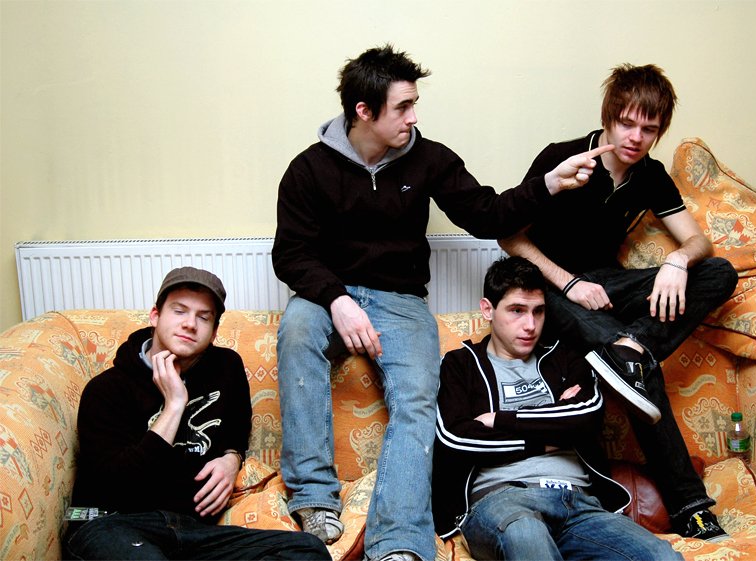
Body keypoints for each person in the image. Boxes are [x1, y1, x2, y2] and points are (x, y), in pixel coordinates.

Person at [272, 44, 614, 561]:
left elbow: (487, 215)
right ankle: (315, 499)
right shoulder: (309, 169)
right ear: (364, 111)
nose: (414, 116)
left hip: (400, 299)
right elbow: (291, 254)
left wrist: (549, 184)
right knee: (297, 331)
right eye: (403, 107)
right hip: (328, 294)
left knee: (418, 397)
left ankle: (398, 542)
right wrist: (337, 300)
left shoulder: (430, 158)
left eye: (414, 104)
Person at [500, 63, 738, 540]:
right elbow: (509, 237)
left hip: (608, 285)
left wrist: (677, 262)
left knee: (719, 272)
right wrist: (568, 283)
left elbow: (699, 242)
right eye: (627, 124)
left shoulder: (649, 175)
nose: (635, 137)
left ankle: (633, 347)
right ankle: (691, 507)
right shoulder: (564, 156)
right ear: (608, 118)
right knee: (641, 373)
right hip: (549, 287)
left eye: (648, 129)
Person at [63, 267, 330, 561]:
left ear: (214, 332)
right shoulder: (105, 389)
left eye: (203, 317)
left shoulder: (226, 368)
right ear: (155, 316)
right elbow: (119, 487)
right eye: (179, 311)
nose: (190, 324)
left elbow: (236, 430)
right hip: (112, 525)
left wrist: (232, 459)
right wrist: (174, 405)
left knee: (306, 550)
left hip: (190, 531)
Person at [432, 256, 682, 560]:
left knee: (661, 556)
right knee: (527, 535)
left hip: (579, 504)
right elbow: (457, 439)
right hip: (503, 501)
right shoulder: (460, 364)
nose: (530, 325)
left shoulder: (565, 357)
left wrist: (498, 419)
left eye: (538, 311)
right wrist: (550, 434)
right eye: (517, 311)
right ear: (488, 309)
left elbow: (586, 417)